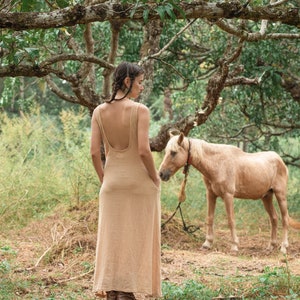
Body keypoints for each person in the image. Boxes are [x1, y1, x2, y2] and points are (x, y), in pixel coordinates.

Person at [90, 62, 162, 300]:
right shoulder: (140, 111)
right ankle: (127, 291)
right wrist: (155, 177)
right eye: (140, 82)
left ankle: (111, 291)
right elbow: (143, 150)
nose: (141, 87)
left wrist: (104, 180)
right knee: (136, 237)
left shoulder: (99, 111)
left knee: (112, 238)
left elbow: (93, 153)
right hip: (138, 185)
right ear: (128, 81)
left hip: (111, 186)